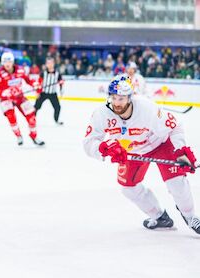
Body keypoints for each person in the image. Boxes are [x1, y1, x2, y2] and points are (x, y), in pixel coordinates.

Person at [83, 74, 199, 232]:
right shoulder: (101, 114)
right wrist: (105, 148)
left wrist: (180, 150)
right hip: (133, 151)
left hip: (161, 144)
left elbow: (175, 127)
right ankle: (160, 217)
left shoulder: (146, 108)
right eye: (114, 98)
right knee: (127, 187)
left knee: (176, 182)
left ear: (130, 97)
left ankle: (191, 216)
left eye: (121, 98)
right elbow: (89, 142)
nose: (117, 103)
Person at [0, 51, 44, 146]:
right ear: (2, 62)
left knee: (31, 116)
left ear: (13, 61)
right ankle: (18, 135)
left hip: (19, 97)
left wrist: (35, 85)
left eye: (9, 61)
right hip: (6, 99)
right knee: (11, 117)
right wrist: (3, 93)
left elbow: (28, 80)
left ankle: (34, 136)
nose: (7, 64)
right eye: (5, 61)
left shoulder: (20, 70)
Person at [34, 57, 64, 125]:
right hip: (43, 93)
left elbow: (61, 83)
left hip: (53, 93)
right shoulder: (43, 73)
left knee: (57, 107)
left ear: (53, 64)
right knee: (36, 107)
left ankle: (56, 120)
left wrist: (61, 90)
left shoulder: (57, 74)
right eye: (48, 63)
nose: (50, 64)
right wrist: (37, 92)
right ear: (46, 64)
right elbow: (38, 83)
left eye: (51, 63)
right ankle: (32, 120)